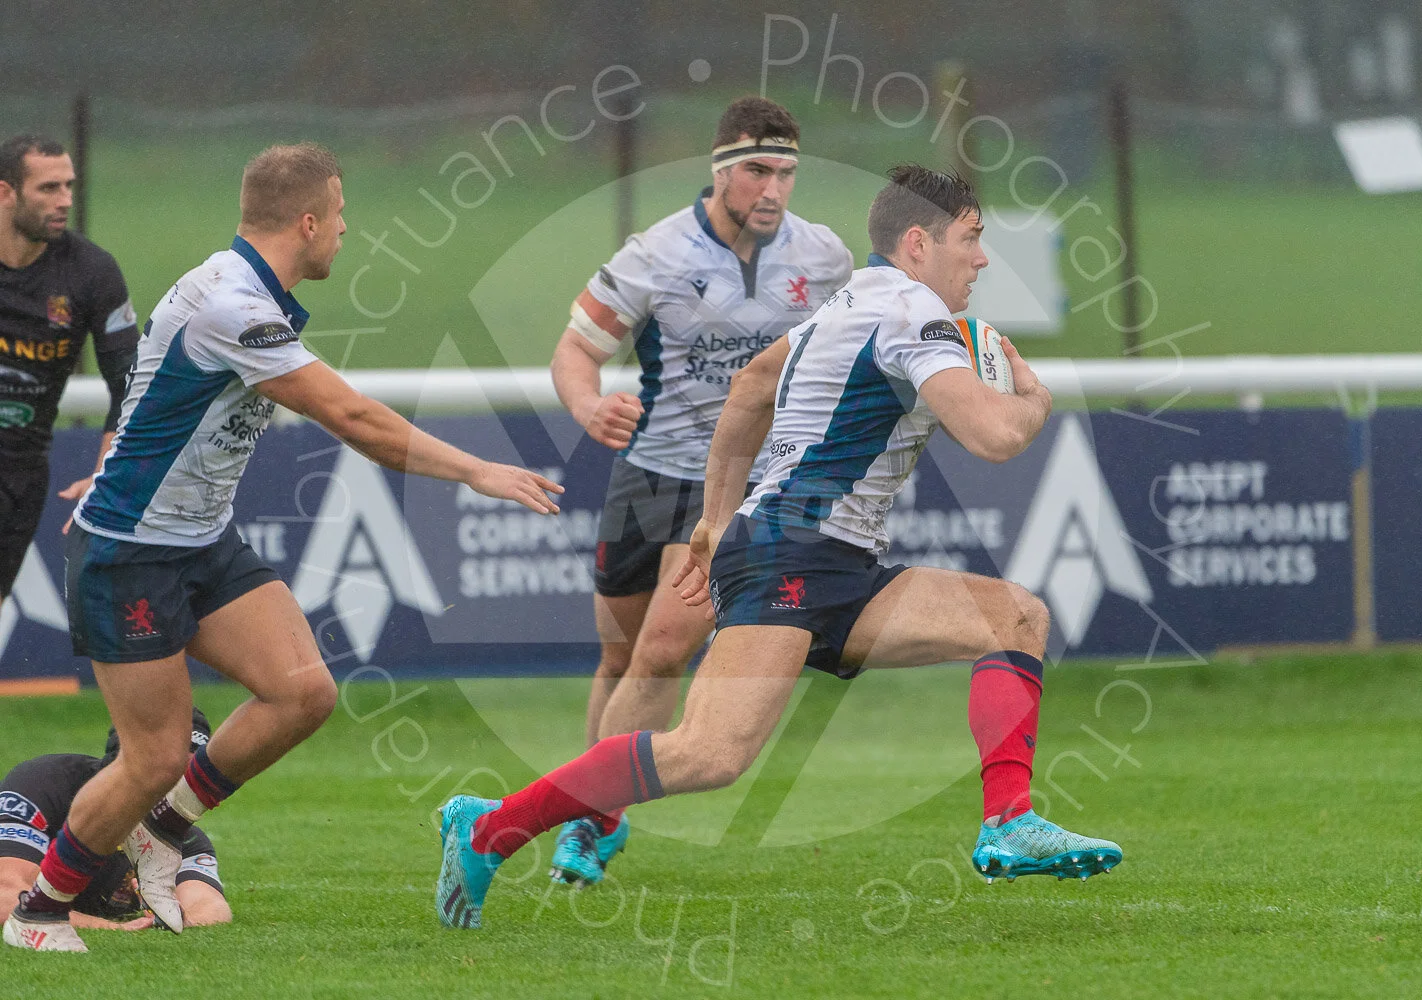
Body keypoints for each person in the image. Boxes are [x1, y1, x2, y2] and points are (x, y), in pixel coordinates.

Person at [436, 165, 1123, 931]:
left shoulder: (851, 302)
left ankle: (1008, 824)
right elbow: (994, 437)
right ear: (921, 242)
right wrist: (1031, 399)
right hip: (793, 554)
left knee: (1015, 617)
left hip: (832, 561)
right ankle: (488, 826)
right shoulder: (913, 314)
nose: (983, 259)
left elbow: (752, 386)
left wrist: (715, 521)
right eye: (972, 239)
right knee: (708, 753)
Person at [2, 142, 563, 953]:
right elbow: (355, 419)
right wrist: (476, 470)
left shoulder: (239, 288)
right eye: (340, 216)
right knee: (153, 754)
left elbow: (157, 391)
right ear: (307, 221)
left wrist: (124, 465)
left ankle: (161, 832)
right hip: (132, 552)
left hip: (199, 539)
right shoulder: (234, 306)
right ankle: (40, 911)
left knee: (303, 693)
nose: (345, 231)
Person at [546, 96, 852, 884]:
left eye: (785, 171)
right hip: (651, 477)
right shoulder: (655, 255)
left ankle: (586, 817)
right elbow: (575, 352)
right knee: (619, 657)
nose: (773, 189)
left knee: (661, 648)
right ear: (719, 171)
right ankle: (581, 800)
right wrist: (588, 404)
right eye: (757, 170)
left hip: (740, 491)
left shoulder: (823, 259)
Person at [0, 134, 138, 605]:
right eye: (48, 189)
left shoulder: (91, 273)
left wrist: (104, 477)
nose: (65, 201)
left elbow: (130, 385)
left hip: (18, 476)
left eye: (69, 187)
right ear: (5, 193)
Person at [0, 708, 231, 935]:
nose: (174, 784)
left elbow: (211, 907)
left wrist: (177, 917)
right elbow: (4, 896)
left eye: (186, 773)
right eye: (160, 768)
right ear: (121, 761)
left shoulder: (183, 838)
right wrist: (112, 928)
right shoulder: (44, 785)